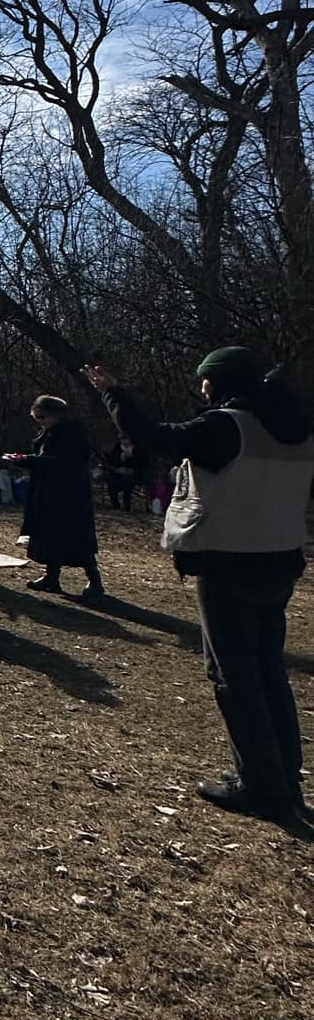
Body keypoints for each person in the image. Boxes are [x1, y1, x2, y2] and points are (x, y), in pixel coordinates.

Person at [86, 348, 314, 819]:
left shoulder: (225, 427)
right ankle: (284, 778)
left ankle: (261, 786)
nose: (202, 388)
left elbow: (151, 436)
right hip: (281, 559)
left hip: (229, 562)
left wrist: (114, 394)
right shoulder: (299, 428)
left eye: (205, 380)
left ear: (221, 381)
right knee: (269, 672)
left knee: (236, 677)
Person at [6, 396, 105, 601]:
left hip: (69, 495)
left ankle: (95, 581)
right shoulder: (50, 432)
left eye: (42, 417)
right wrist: (26, 459)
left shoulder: (72, 434)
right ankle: (51, 577)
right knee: (49, 536)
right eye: (37, 417)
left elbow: (59, 463)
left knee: (76, 538)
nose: (40, 421)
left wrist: (27, 461)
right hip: (50, 492)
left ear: (55, 414)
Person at [104, 435, 147, 511]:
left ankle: (126, 504)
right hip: (118, 474)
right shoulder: (117, 448)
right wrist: (119, 464)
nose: (124, 442)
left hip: (133, 475)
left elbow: (142, 464)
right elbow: (112, 462)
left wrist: (131, 469)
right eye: (122, 439)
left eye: (126, 439)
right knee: (111, 481)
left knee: (129, 481)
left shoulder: (137, 449)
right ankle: (115, 505)